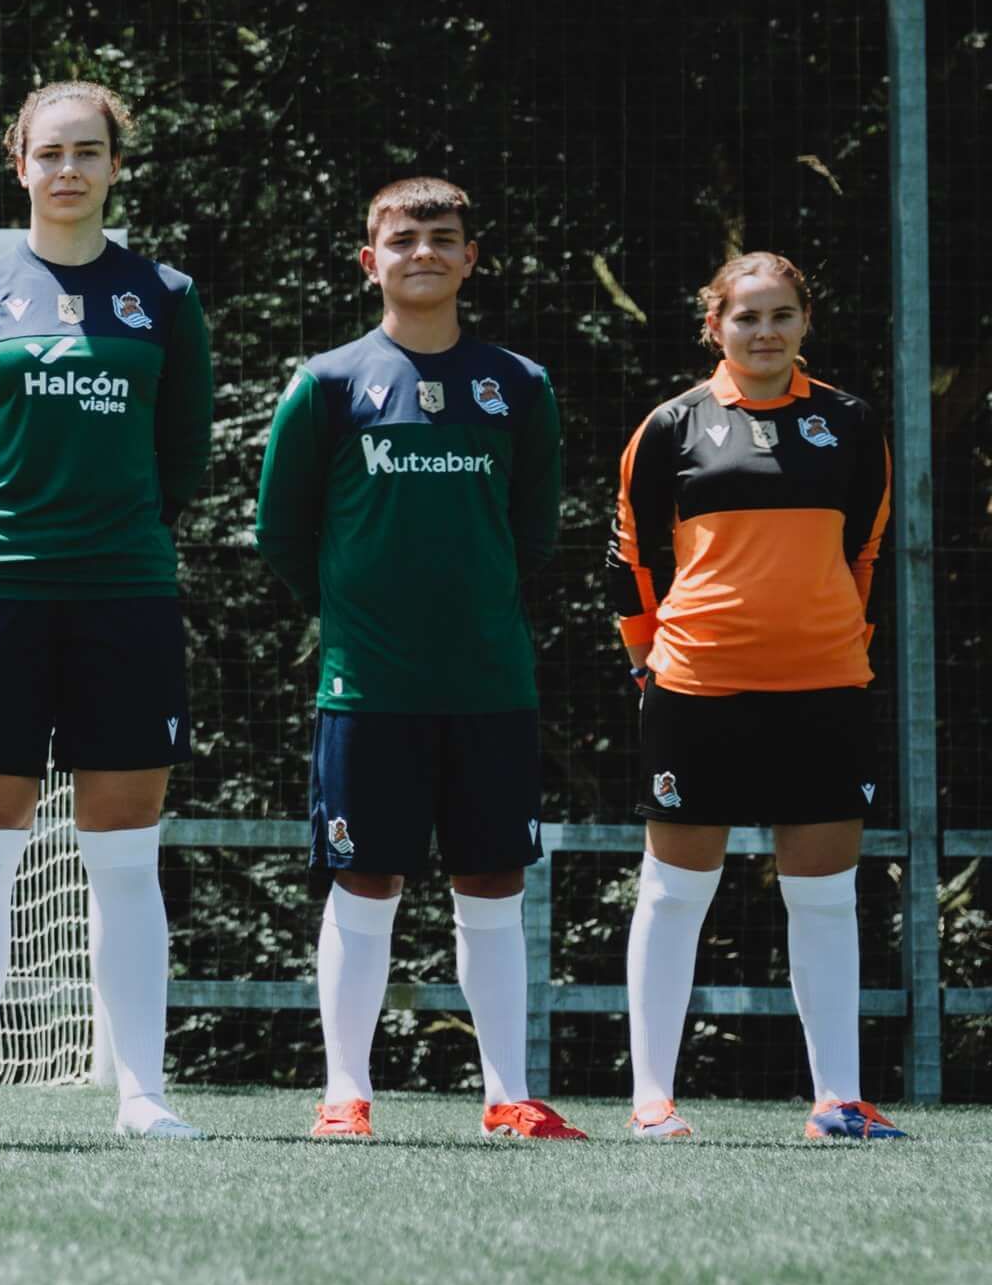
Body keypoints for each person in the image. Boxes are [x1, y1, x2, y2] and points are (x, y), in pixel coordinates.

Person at [0, 80, 211, 1141]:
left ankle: (141, 1092)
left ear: (115, 165)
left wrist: (109, 532)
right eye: (50, 152)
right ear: (17, 162)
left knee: (123, 850)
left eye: (88, 151)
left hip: (125, 594)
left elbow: (184, 455)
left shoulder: (163, 294)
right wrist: (9, 528)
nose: (69, 169)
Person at [252, 177, 583, 1141]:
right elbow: (282, 528)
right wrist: (352, 614)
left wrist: (468, 608)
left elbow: (533, 529)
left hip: (489, 681)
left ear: (471, 257)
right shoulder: (328, 383)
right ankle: (346, 1091)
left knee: (493, 883)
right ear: (372, 260)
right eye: (404, 238)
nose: (424, 252)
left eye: (443, 238)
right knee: (368, 882)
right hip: (370, 681)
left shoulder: (518, 384)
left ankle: (507, 1094)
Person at [613, 251, 905, 1143]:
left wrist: (842, 644)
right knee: (674, 893)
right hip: (697, 687)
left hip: (824, 688)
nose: (765, 331)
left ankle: (837, 1103)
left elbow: (866, 553)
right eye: (747, 317)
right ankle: (653, 1100)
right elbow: (632, 564)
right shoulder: (670, 427)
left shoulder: (851, 422)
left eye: (781, 315)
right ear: (716, 326)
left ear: (805, 322)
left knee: (824, 897)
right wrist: (649, 664)